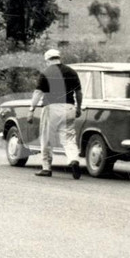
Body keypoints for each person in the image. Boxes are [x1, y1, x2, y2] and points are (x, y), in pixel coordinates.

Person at [27, 48, 83, 179]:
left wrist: (31, 109)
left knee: (47, 138)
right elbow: (78, 93)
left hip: (51, 108)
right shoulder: (72, 71)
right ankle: (73, 159)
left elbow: (38, 93)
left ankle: (46, 168)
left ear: (47, 60)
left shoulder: (46, 72)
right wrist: (78, 107)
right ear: (59, 58)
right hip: (69, 107)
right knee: (69, 138)